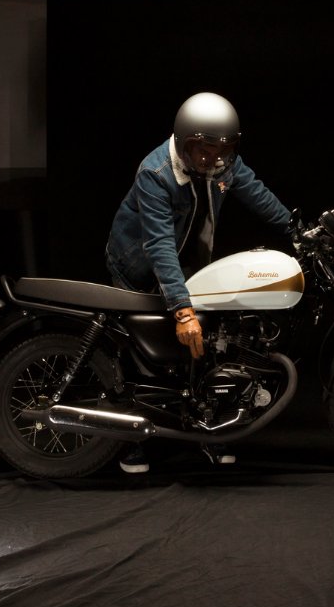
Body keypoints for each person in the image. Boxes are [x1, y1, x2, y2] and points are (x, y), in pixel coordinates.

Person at [105, 91, 293, 474]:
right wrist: (182, 308)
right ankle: (132, 445)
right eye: (205, 151)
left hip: (188, 264)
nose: (215, 160)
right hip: (138, 265)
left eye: (223, 151)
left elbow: (256, 192)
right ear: (185, 141)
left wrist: (295, 227)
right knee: (139, 357)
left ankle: (208, 430)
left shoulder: (221, 164)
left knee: (209, 343)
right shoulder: (155, 174)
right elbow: (158, 244)